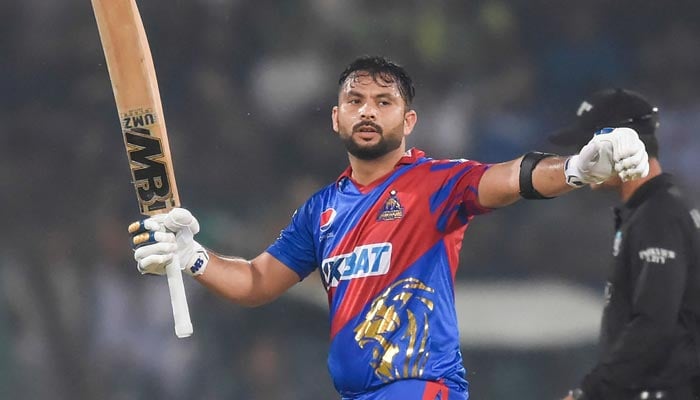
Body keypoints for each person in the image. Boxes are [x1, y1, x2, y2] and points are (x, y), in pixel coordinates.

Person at [130, 56, 649, 400]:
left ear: (409, 120)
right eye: (355, 101)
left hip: (422, 389)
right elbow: (257, 282)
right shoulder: (321, 210)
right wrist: (194, 257)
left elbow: (510, 178)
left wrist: (578, 168)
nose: (368, 111)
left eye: (385, 102)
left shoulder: (434, 183)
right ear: (336, 118)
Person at [549, 88, 700, 400]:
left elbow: (654, 323)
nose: (580, 159)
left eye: (588, 147)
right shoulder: (649, 213)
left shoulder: (658, 216)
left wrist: (590, 392)